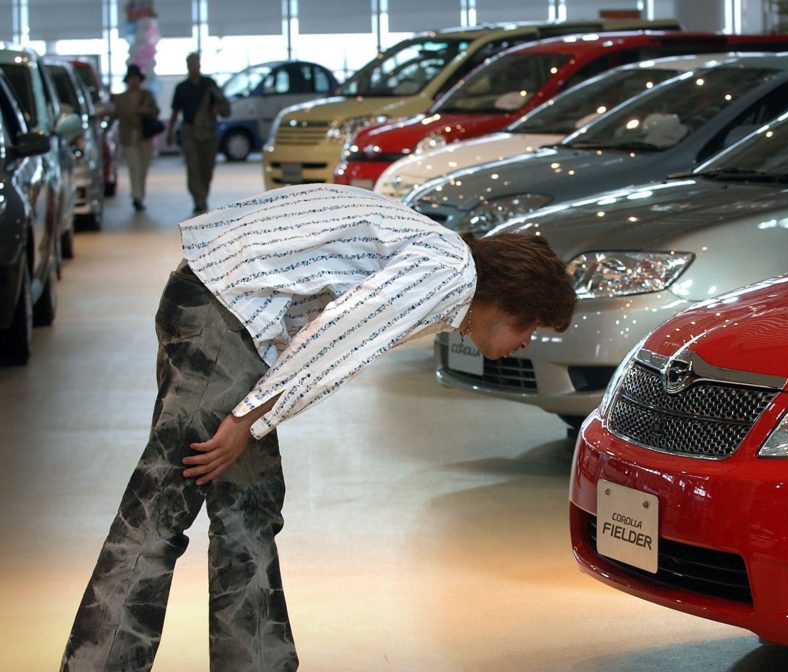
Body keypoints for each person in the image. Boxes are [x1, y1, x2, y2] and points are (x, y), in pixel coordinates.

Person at [60, 183, 577, 671]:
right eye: (531, 326)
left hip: (216, 303)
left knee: (247, 513)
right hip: (225, 315)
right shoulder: (448, 274)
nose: (527, 341)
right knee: (159, 510)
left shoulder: (439, 255)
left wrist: (255, 409)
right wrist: (247, 416)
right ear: (511, 299)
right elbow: (340, 336)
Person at [166, 52, 230, 215]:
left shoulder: (209, 84)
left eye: (195, 63)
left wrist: (216, 109)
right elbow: (175, 111)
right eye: (190, 64)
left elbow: (224, 107)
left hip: (208, 131)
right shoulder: (181, 88)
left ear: (200, 65)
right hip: (189, 131)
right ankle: (199, 200)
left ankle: (203, 195)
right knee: (193, 167)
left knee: (206, 168)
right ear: (187, 65)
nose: (193, 67)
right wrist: (170, 131)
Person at [112, 64, 160, 212]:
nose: (134, 82)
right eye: (131, 79)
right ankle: (136, 197)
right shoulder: (119, 99)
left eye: (136, 79)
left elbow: (156, 111)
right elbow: (114, 115)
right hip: (128, 136)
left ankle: (140, 195)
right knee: (134, 167)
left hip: (144, 136)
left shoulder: (147, 96)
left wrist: (146, 111)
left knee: (143, 168)